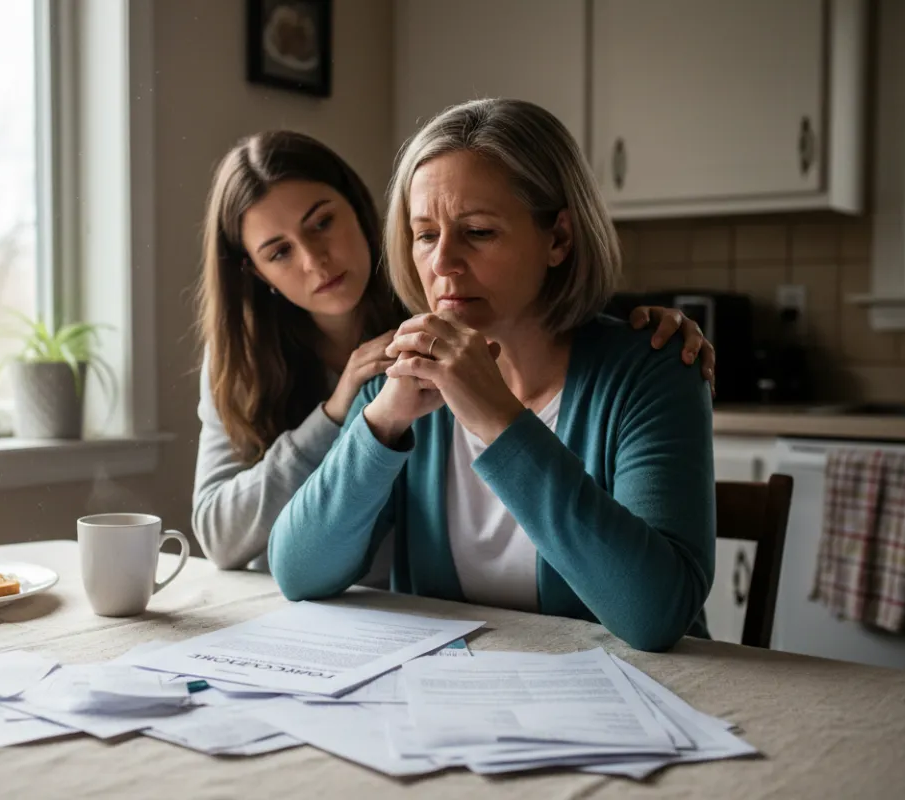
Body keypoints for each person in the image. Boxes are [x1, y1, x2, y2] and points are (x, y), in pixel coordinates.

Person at [266, 100, 716, 652]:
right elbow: (297, 573)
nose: (443, 264)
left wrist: (499, 419)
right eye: (426, 234)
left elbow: (654, 615)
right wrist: (382, 420)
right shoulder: (404, 378)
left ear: (559, 240)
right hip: (453, 705)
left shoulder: (653, 370)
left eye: (478, 231)